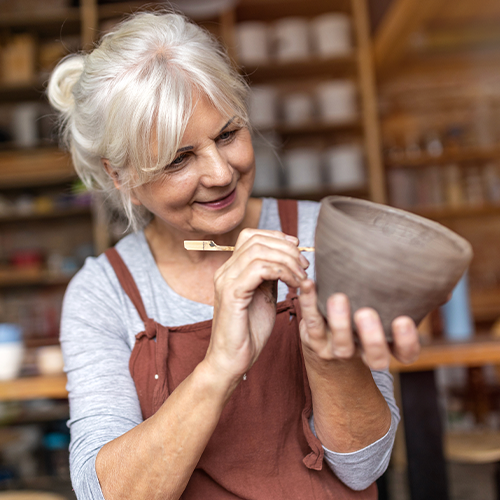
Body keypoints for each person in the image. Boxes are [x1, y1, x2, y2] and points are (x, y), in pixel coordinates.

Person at [48, 10, 420, 500]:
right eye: (179, 159)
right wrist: (220, 365)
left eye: (228, 135)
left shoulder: (324, 236)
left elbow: (364, 467)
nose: (222, 173)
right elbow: (105, 495)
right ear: (121, 178)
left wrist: (330, 360)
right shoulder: (103, 293)